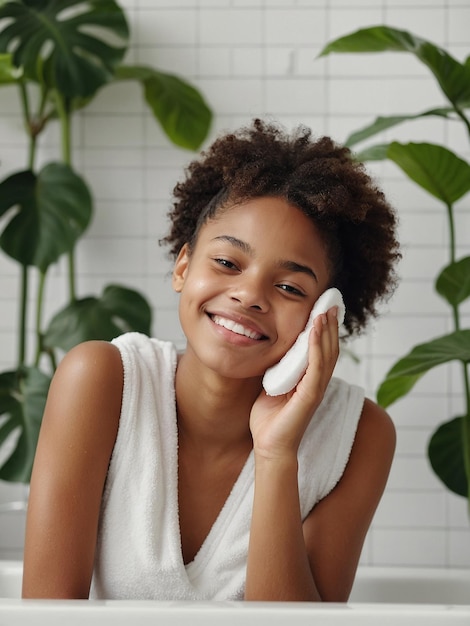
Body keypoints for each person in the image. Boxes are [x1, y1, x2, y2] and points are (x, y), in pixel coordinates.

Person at [22, 119, 400, 602]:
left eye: (289, 287)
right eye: (227, 262)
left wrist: (276, 455)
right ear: (183, 266)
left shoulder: (358, 435)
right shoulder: (102, 381)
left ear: (325, 313)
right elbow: (49, 613)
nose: (249, 296)